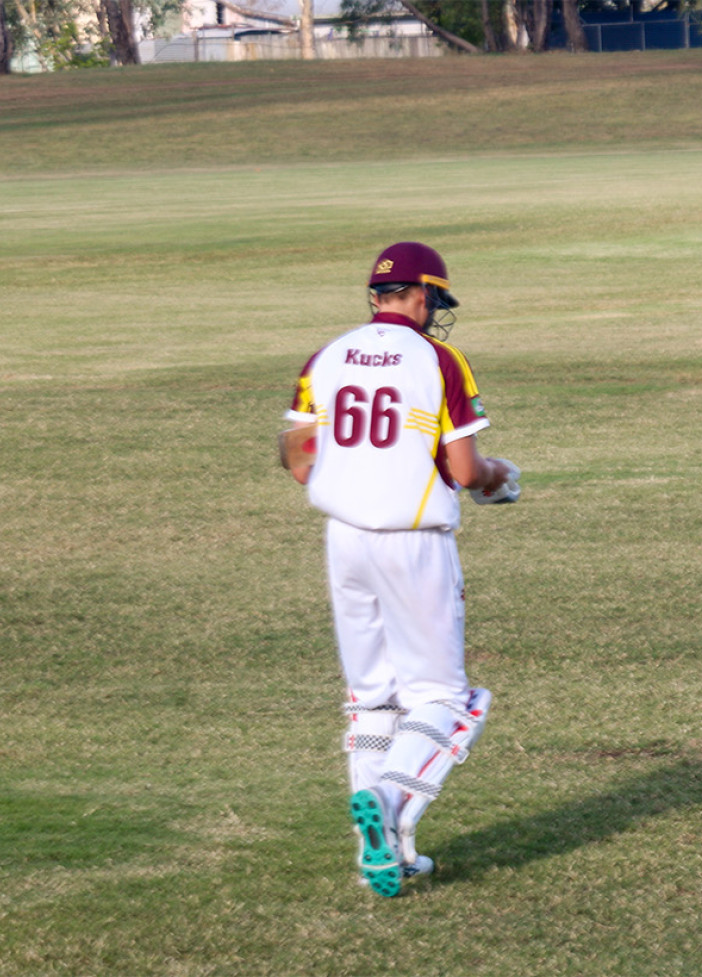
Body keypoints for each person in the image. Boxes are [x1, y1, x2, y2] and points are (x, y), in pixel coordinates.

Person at [281, 241, 519, 896]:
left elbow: (299, 457)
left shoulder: (325, 356)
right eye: (434, 299)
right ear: (420, 296)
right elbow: (467, 471)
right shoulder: (438, 359)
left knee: (373, 702)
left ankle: (385, 854)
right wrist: (502, 480)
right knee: (442, 697)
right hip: (412, 542)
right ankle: (388, 802)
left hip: (344, 541)